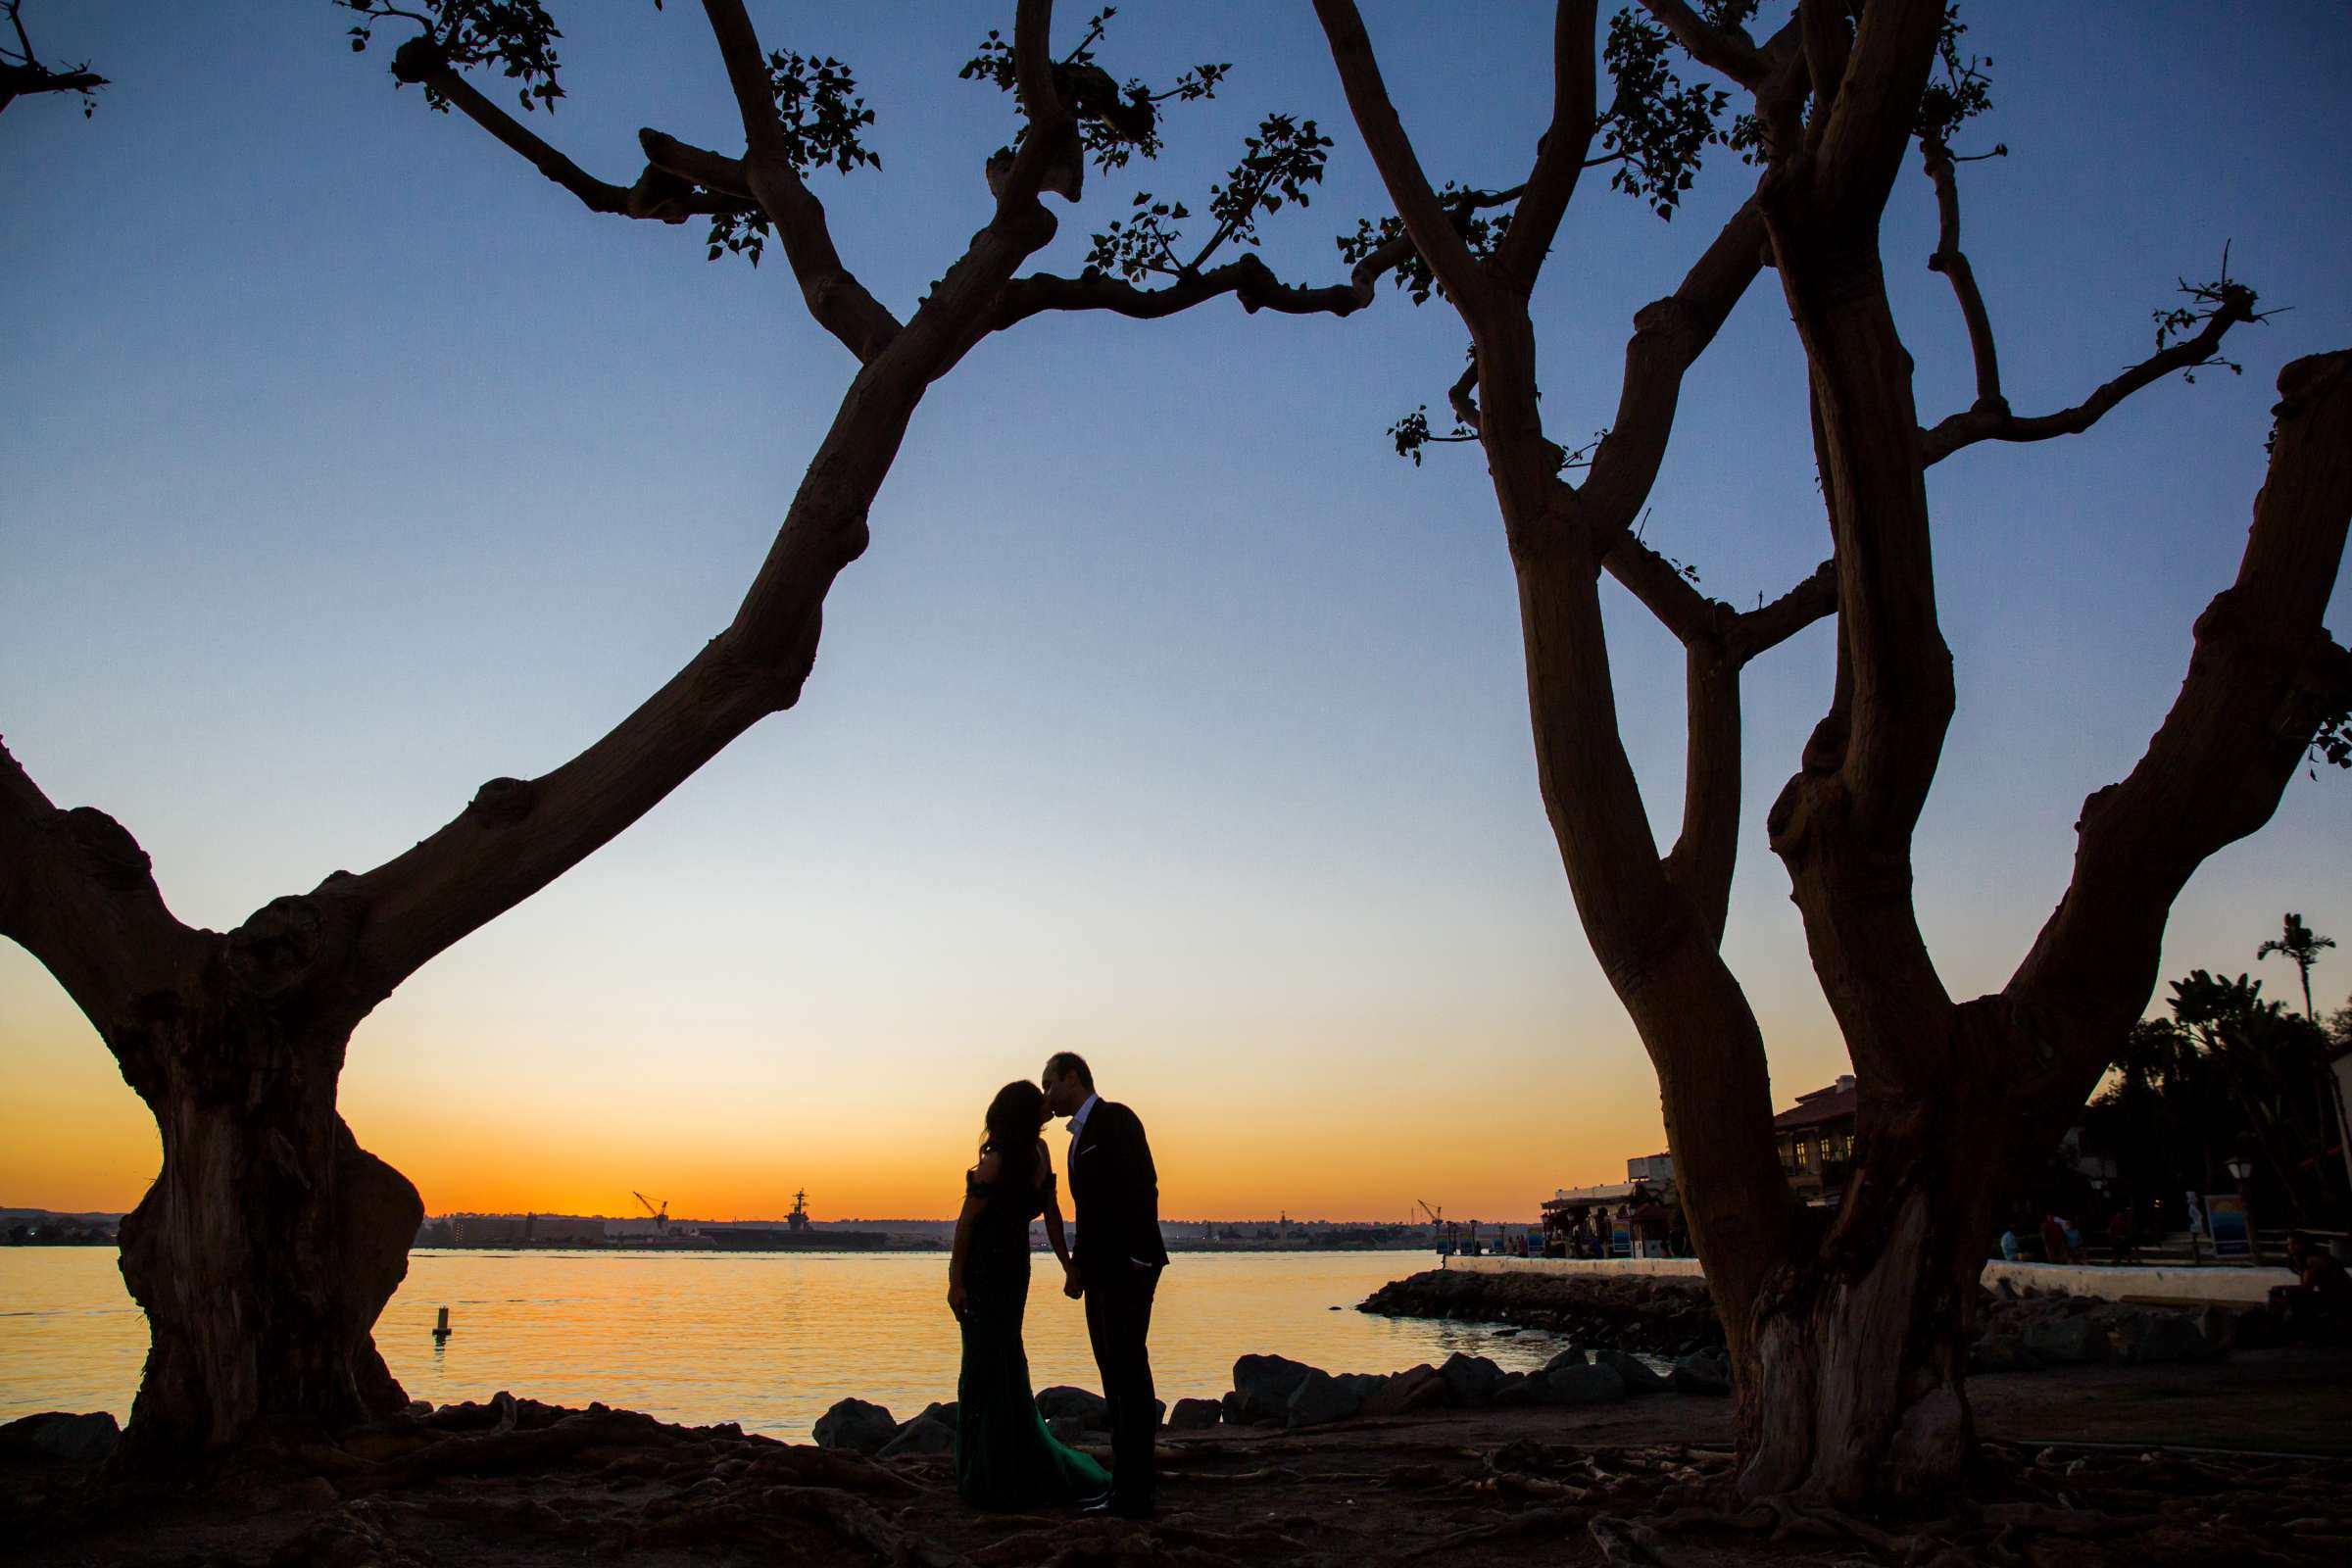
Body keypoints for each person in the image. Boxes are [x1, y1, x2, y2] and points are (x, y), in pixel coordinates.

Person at [947, 1080, 1109, 1511]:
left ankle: (1009, 1464)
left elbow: (1052, 1213)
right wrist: (955, 1281)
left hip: (1014, 1269)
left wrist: (1067, 1263)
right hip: (982, 1272)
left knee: (1007, 1362)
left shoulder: (1040, 1153)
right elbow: (965, 1225)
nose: (1046, 1102)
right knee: (983, 1365)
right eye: (1038, 1099)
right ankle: (983, 1469)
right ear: (1022, 1112)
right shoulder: (995, 1161)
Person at [1043, 1051, 1168, 1520]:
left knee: (1128, 1372)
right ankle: (1124, 1486)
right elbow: (1091, 1213)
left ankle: (1137, 1492)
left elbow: (1142, 1188)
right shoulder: (1076, 1137)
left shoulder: (1116, 1120)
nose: (1046, 1094)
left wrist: (1137, 1259)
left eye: (1049, 1084)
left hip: (1128, 1269)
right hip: (1100, 1271)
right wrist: (1079, 1267)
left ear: (1073, 1078)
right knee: (1112, 1374)